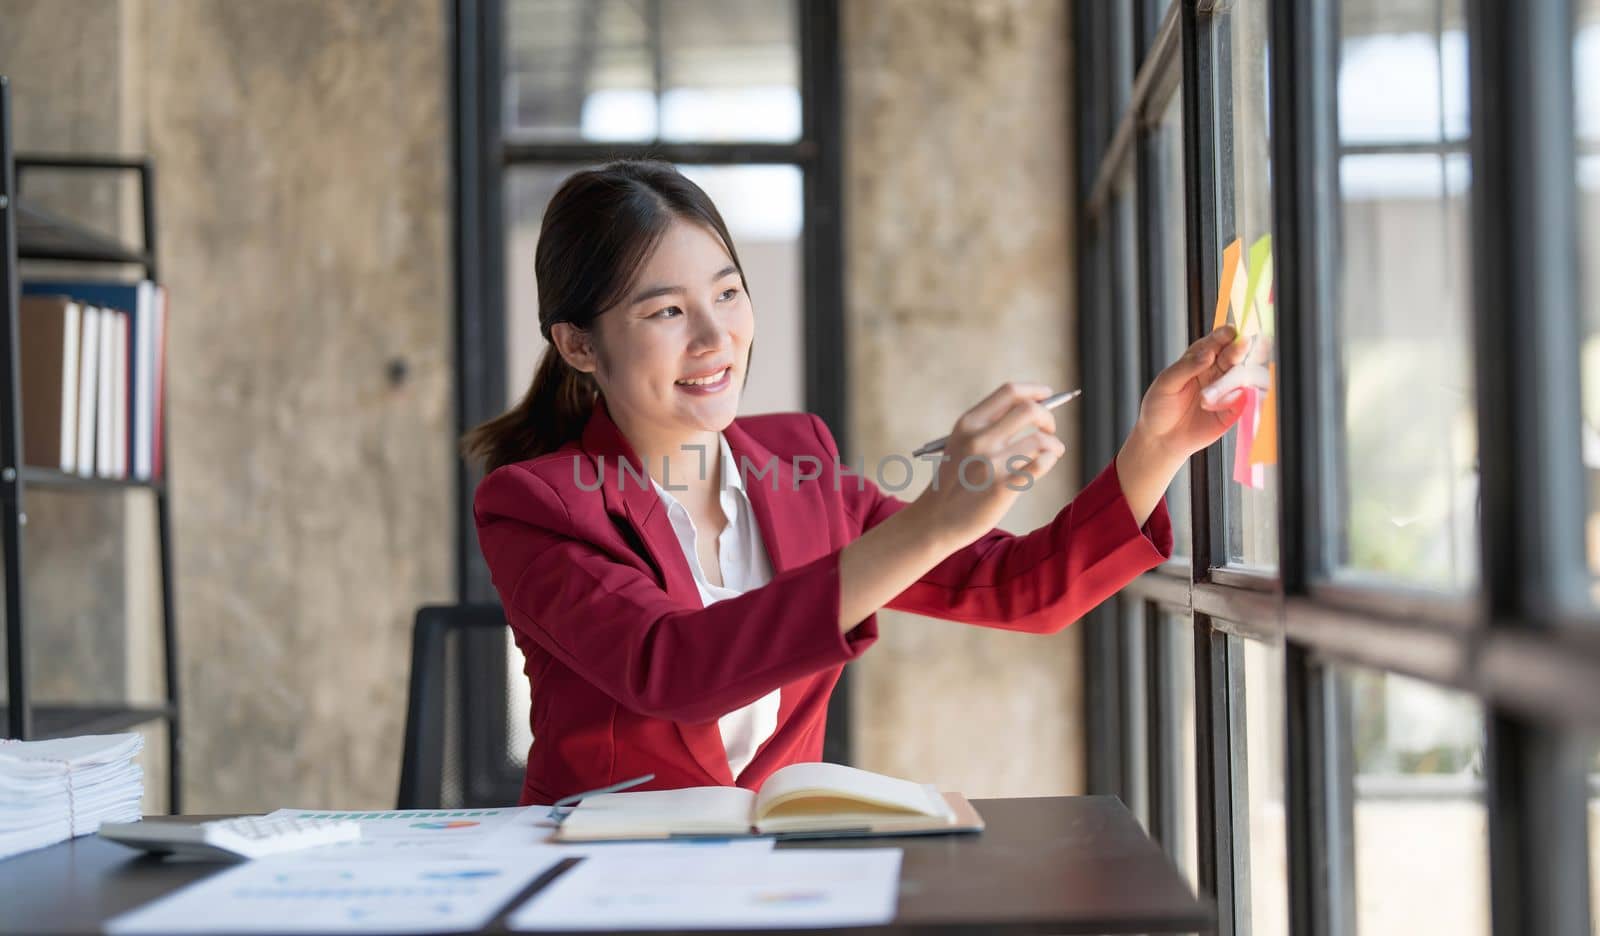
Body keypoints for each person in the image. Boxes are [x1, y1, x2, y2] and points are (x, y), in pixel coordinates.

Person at [465, 160, 1251, 806]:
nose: (716, 338)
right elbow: (670, 667)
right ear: (577, 345)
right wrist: (934, 519)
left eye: (729, 292)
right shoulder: (537, 504)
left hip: (775, 888)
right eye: (667, 311)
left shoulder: (795, 465)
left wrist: (1156, 445)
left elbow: (1022, 588)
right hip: (597, 891)